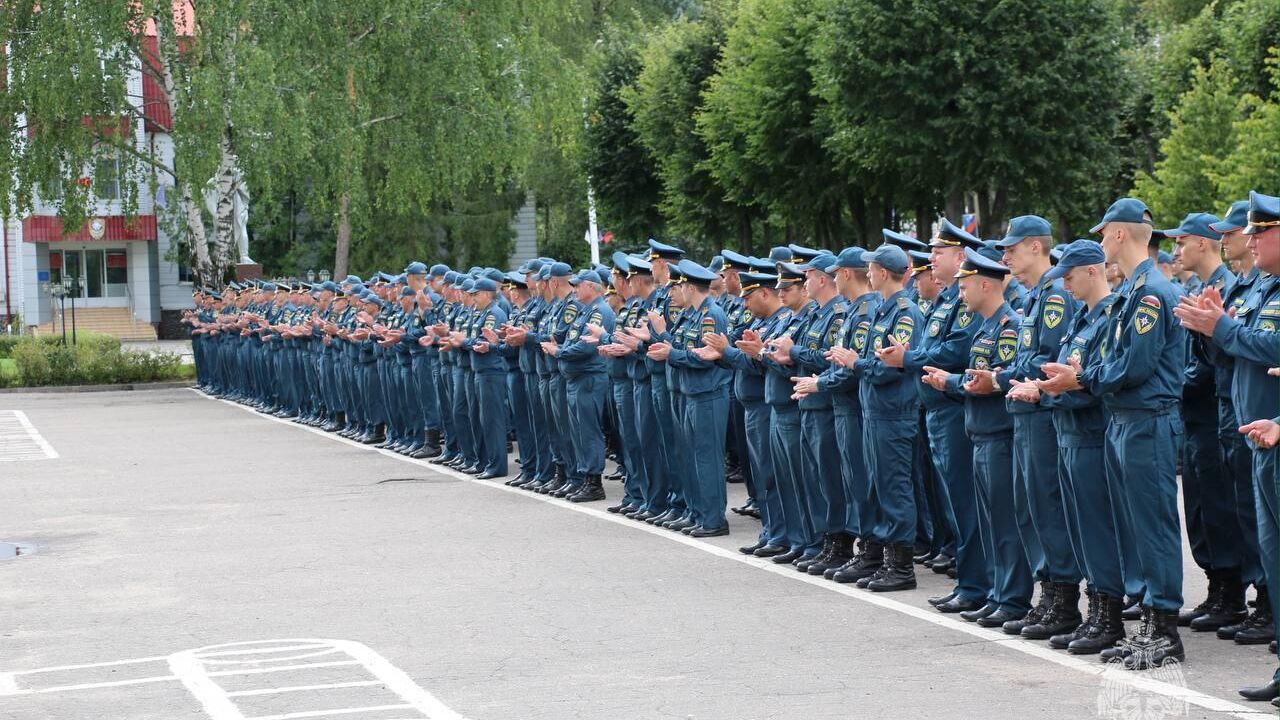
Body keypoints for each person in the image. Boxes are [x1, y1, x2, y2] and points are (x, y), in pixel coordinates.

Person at [1042, 197, 1188, 670]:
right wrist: (1084, 374)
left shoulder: (1150, 294)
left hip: (1147, 420)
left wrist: (1081, 380)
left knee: (1153, 526)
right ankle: (1148, 619)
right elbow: (1111, 361)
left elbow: (1134, 366)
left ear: (1121, 234)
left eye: (1104, 233)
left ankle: (1163, 628)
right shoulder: (1131, 294)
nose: (1102, 241)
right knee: (1133, 528)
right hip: (1125, 420)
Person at [1175, 191, 1280, 700]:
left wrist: (1224, 327)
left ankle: (1253, 604)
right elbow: (1239, 352)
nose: (1250, 240)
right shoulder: (1259, 287)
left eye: (1261, 232)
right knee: (1262, 541)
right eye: (1252, 231)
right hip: (1253, 430)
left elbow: (1269, 346)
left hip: (1272, 430)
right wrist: (1216, 329)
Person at [1024, 240, 1129, 654]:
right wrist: (1050, 388)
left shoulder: (1109, 317)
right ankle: (1094, 612)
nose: (1064, 283)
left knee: (1098, 528)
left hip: (1089, 432)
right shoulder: (1082, 319)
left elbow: (1095, 384)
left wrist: (1052, 390)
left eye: (1069, 275)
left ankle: (1108, 615)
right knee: (1081, 529)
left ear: (1092, 271)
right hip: (1068, 430)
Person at [923, 247, 1029, 628]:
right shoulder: (985, 326)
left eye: (966, 285)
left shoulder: (1008, 326)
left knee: (1004, 522)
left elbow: (994, 380)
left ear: (986, 285)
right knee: (987, 522)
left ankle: (1013, 598)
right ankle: (996, 593)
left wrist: (949, 381)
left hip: (999, 434)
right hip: (981, 432)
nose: (960, 292)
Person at [991, 216, 1083, 640]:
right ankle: (1048, 593)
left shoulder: (1054, 296)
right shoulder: (1033, 297)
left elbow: (1048, 357)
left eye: (1011, 248)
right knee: (1029, 508)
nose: (1005, 255)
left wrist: (1002, 375)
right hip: (1026, 414)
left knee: (1047, 506)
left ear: (1034, 246)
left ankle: (1063, 600)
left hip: (1044, 415)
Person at [1166, 213, 1249, 632]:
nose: (1177, 250)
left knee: (1221, 506)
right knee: (1200, 508)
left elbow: (1214, 361)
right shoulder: (1195, 289)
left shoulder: (1229, 289)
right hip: (1195, 413)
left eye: (1182, 242)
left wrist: (1177, 384)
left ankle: (1232, 593)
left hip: (1215, 407)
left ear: (1203, 243)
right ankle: (1217, 588)